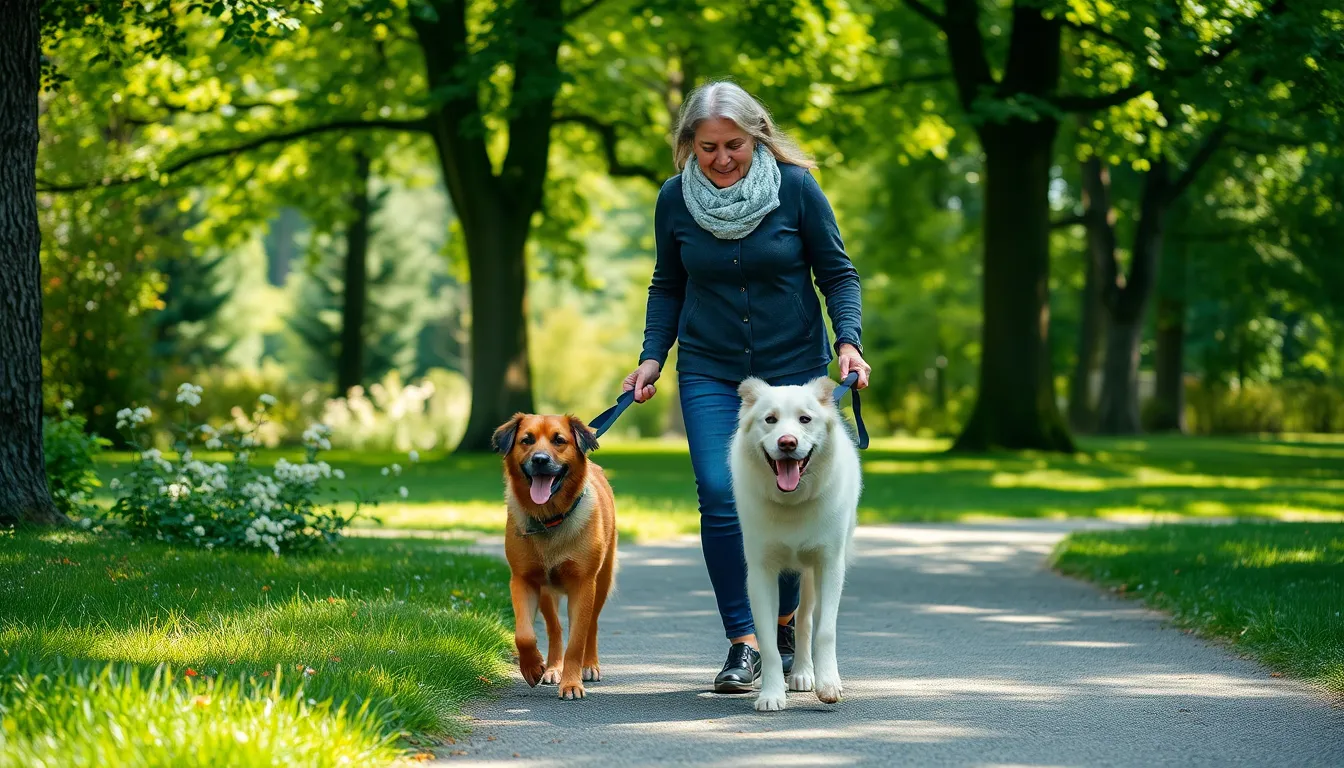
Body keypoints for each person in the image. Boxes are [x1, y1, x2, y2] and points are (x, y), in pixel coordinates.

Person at [622, 80, 871, 693]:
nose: (721, 158)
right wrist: (652, 357)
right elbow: (667, 284)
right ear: (689, 146)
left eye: (733, 144)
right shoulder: (674, 200)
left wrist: (849, 342)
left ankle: (784, 621)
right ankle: (744, 641)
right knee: (718, 488)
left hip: (793, 371)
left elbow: (838, 273)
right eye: (707, 147)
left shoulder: (797, 189)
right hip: (711, 367)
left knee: (796, 493)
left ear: (757, 137)